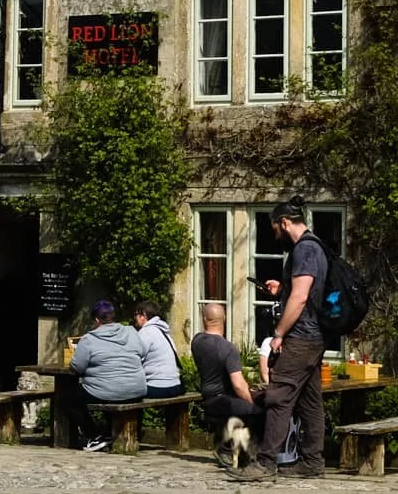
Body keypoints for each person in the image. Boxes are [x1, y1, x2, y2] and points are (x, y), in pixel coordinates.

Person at [252, 199, 327, 477]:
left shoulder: (305, 249)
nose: (275, 236)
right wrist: (282, 288)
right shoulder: (315, 246)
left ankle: (265, 463)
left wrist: (279, 333)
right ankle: (312, 462)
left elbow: (301, 297)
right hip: (315, 337)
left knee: (278, 396)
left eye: (275, 229)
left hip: (301, 337)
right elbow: (302, 291)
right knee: (310, 400)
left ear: (284, 223)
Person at [67, 299, 147, 452]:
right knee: (110, 390)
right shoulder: (131, 332)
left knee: (69, 398)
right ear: (113, 316)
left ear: (97, 320)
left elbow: (77, 367)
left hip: (106, 390)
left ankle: (94, 436)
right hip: (136, 389)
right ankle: (118, 434)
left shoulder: (89, 339)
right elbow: (142, 353)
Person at [190, 302, 264, 450]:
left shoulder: (196, 341)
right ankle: (254, 451)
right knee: (260, 412)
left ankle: (229, 445)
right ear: (224, 318)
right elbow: (238, 385)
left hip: (207, 398)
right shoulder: (228, 348)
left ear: (204, 319)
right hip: (223, 399)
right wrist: (251, 402)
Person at [130, 301, 185, 399]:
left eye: (136, 314)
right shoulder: (164, 332)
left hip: (157, 387)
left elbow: (135, 359)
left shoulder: (146, 332)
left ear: (144, 315)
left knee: (124, 392)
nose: (135, 318)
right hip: (176, 386)